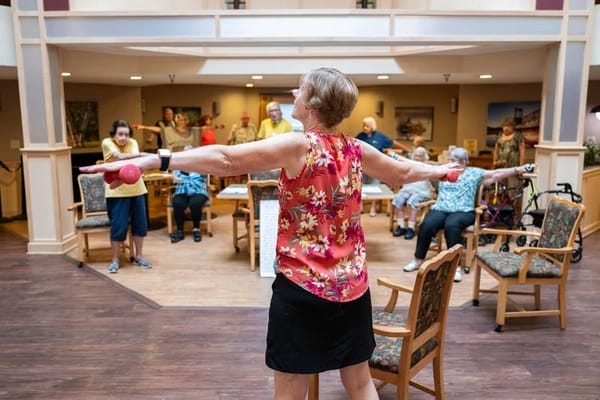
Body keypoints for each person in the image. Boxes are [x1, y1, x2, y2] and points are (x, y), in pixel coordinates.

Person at [81, 67, 458, 399]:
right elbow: (404, 173)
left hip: (303, 289)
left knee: (291, 391)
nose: (293, 93)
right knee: (359, 384)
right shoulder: (355, 149)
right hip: (352, 287)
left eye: (299, 88)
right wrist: (444, 170)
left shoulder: (299, 144)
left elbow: (227, 159)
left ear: (313, 102)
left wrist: (154, 159)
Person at [402, 146, 534, 283]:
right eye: (449, 160)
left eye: (452, 160)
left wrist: (519, 169)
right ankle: (418, 260)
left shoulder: (474, 173)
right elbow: (423, 167)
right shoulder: (444, 171)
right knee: (426, 225)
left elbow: (496, 173)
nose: (449, 163)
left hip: (463, 211)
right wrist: (399, 159)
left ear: (463, 162)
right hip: (441, 208)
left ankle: (455, 267)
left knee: (452, 226)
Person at [101, 119, 152, 273]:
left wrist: (138, 157)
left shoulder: (132, 142)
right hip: (116, 193)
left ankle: (139, 256)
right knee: (118, 226)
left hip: (137, 190)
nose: (123, 138)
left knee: (140, 225)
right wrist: (142, 154)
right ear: (113, 134)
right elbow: (118, 156)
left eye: (126, 135)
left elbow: (135, 161)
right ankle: (115, 259)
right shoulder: (107, 142)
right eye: (120, 134)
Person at [356, 116, 411, 217]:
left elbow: (392, 143)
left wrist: (406, 149)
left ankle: (373, 208)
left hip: (377, 166)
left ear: (372, 126)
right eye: (363, 125)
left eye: (367, 126)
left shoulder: (379, 136)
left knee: (375, 186)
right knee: (361, 185)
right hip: (362, 166)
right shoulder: (360, 136)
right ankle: (361, 206)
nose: (364, 127)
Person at [389, 147, 433, 240]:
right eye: (415, 155)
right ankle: (401, 227)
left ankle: (411, 228)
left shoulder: (427, 167)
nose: (417, 158)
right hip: (408, 189)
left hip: (422, 191)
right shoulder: (409, 165)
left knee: (412, 201)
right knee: (397, 201)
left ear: (425, 157)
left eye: (420, 156)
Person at [169, 146, 209, 244]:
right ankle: (180, 231)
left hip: (198, 191)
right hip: (181, 191)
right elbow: (173, 178)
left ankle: (196, 229)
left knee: (194, 203)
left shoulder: (200, 165)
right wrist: (173, 177)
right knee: (177, 203)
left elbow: (206, 173)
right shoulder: (178, 166)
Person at [134, 112, 198, 152]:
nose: (183, 122)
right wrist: (144, 127)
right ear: (176, 121)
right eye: (180, 120)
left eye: (184, 120)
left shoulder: (191, 130)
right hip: (176, 157)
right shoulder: (171, 130)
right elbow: (159, 129)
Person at [493, 118, 525, 189]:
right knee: (500, 188)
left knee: (512, 187)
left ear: (513, 127)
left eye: (509, 126)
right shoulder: (499, 136)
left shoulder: (518, 136)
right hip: (501, 166)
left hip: (513, 167)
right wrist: (494, 161)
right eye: (504, 126)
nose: (506, 128)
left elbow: (522, 152)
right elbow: (496, 150)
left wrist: (521, 168)